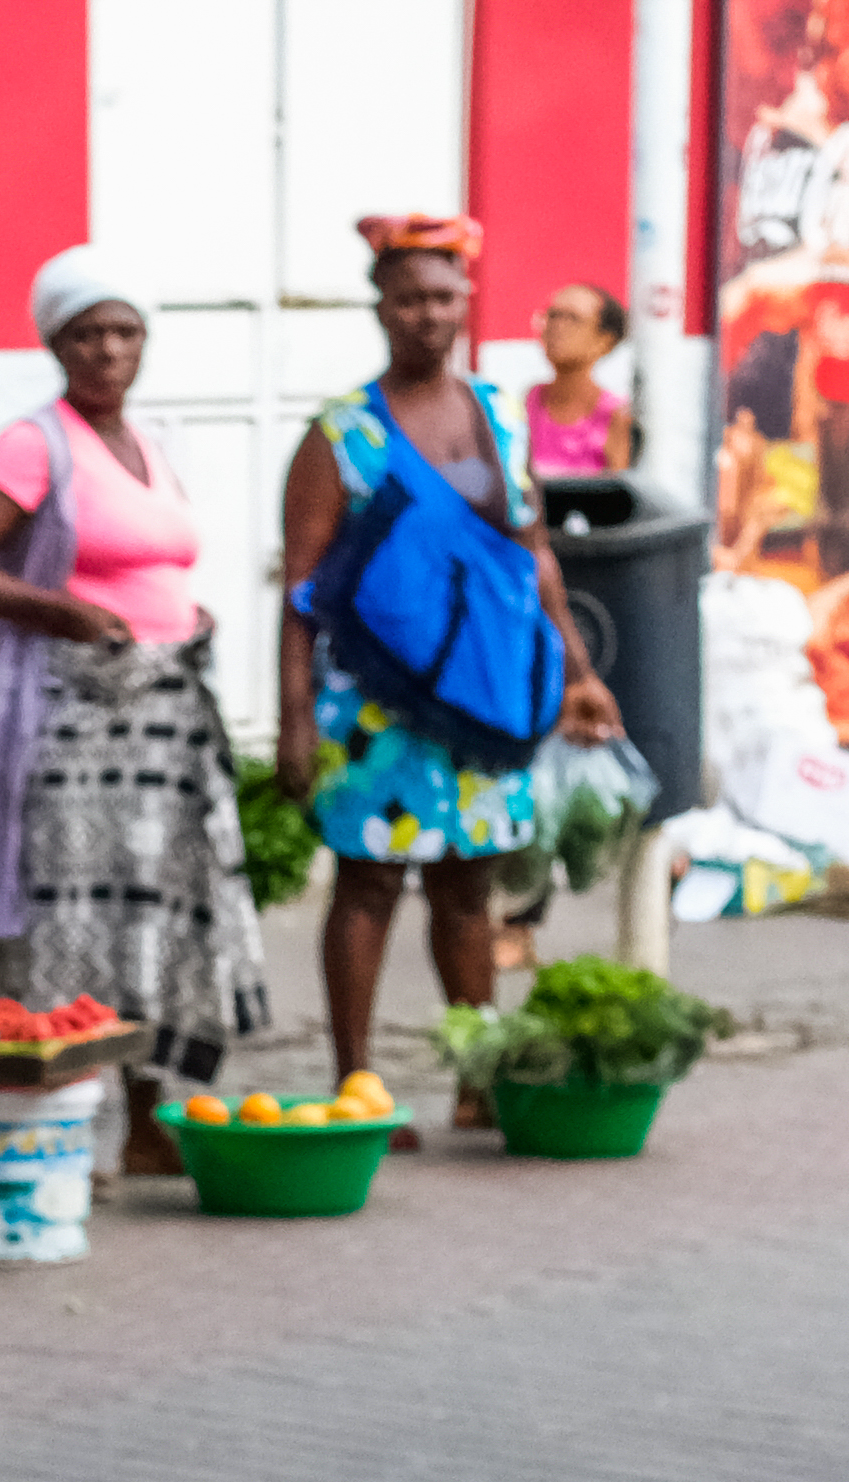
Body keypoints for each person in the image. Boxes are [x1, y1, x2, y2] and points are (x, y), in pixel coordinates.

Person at [0, 250, 270, 1169]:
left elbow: (160, 560)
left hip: (159, 719)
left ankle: (148, 1120)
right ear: (57, 344)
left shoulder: (154, 443)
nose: (108, 350)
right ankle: (43, 1121)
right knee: (63, 918)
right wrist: (66, 611)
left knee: (146, 919)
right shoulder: (34, 443)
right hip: (71, 725)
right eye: (87, 333)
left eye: (124, 332)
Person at [276, 217, 627, 1096]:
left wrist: (577, 672)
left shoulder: (501, 418)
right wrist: (291, 719)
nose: (428, 315)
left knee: (469, 892)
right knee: (368, 885)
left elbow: (533, 549)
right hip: (374, 707)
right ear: (381, 309)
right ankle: (354, 1079)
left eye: (443, 297)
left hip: (484, 694)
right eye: (408, 299)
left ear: (466, 304)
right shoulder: (340, 435)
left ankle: (478, 1077)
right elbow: (301, 590)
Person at [527, 283, 638, 486]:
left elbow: (620, 498)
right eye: (553, 315)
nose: (557, 326)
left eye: (572, 318)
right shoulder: (531, 400)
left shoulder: (615, 416)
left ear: (605, 341)